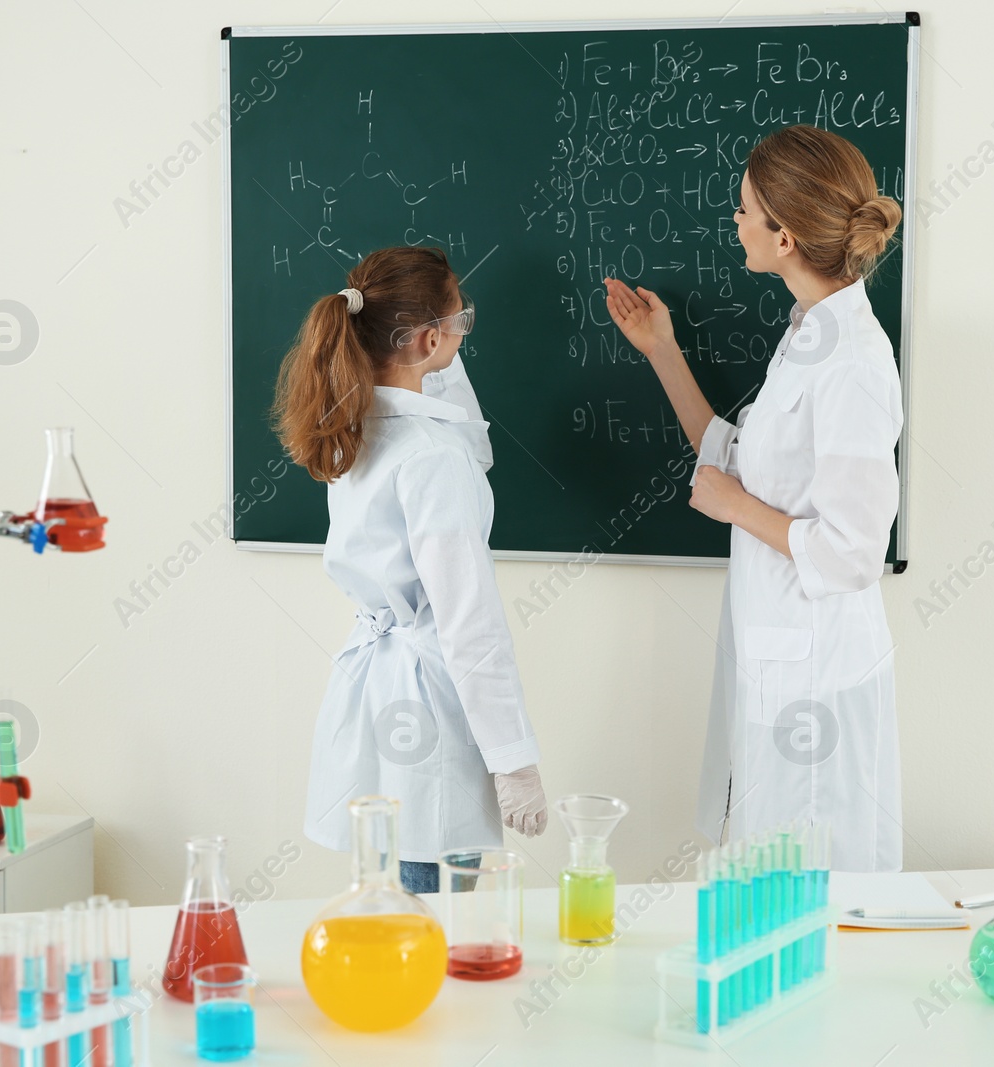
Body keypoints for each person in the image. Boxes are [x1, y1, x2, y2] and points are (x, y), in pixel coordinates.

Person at [603, 125, 905, 871]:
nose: (733, 221)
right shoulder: (808, 331)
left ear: (787, 237)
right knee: (769, 883)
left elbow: (854, 550)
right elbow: (744, 462)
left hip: (818, 682)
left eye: (744, 209)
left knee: (810, 894)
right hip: (781, 661)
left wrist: (736, 507)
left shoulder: (855, 364)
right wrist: (663, 351)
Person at [273, 246, 547, 894]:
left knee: (389, 903)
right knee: (432, 924)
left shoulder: (358, 428)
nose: (463, 331)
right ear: (428, 339)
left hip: (381, 692)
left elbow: (465, 437)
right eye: (460, 322)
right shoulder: (431, 458)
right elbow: (469, 624)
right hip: (428, 711)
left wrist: (430, 349)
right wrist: (513, 760)